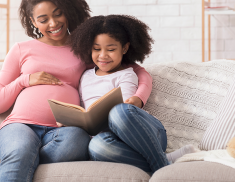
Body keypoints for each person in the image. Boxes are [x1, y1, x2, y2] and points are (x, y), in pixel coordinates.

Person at [0, 0, 154, 182]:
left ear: (68, 9)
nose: (53, 23)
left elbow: (138, 71)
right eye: (43, 19)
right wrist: (25, 80)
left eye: (58, 13)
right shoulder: (21, 49)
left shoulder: (84, 47)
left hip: (64, 131)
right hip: (20, 125)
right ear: (33, 22)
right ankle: (21, 153)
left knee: (77, 142)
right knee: (20, 148)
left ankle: (25, 157)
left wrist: (139, 98)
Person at [68, 14, 197, 174]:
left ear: (125, 48)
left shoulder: (127, 74)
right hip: (111, 140)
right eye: (96, 49)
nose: (103, 55)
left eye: (111, 49)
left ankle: (161, 168)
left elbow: (125, 110)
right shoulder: (85, 76)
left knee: (119, 111)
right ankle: (166, 160)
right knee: (97, 147)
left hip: (144, 133)